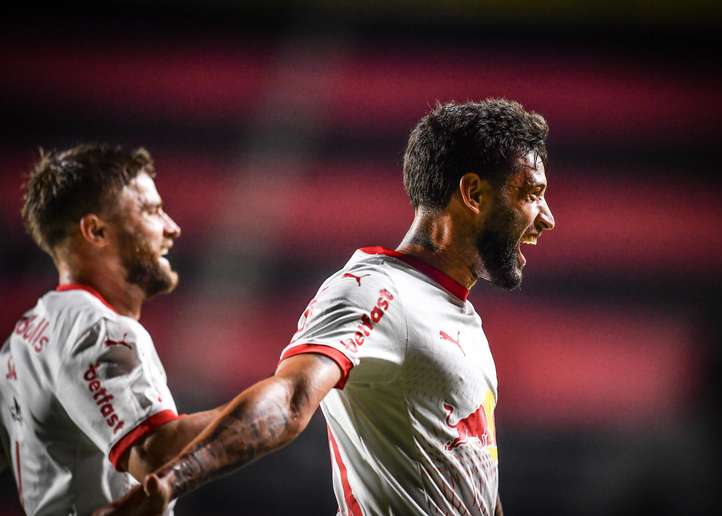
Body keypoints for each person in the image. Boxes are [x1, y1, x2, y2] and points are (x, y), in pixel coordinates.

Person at [97, 98, 556, 516]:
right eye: (531, 194)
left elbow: (475, 478)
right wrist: (169, 483)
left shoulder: (461, 317)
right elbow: (292, 397)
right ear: (473, 194)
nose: (547, 218)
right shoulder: (373, 289)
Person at [0, 144, 221, 515]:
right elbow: (154, 454)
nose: (173, 228)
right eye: (151, 211)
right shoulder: (98, 329)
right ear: (96, 230)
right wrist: (283, 398)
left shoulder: (27, 332)